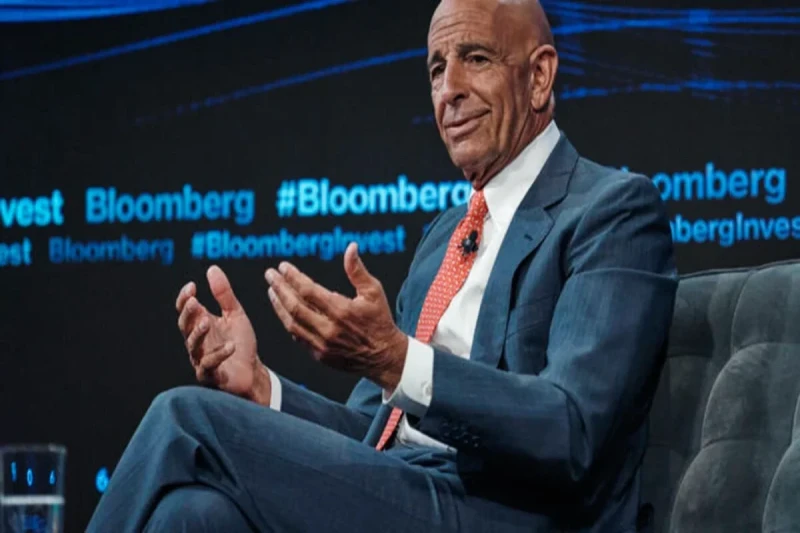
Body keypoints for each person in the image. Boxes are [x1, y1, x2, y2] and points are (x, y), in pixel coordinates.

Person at [87, 0, 677, 531]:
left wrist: (396, 360)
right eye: (436, 70)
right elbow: (371, 435)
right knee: (194, 514)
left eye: (475, 59)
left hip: (507, 509)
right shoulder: (443, 237)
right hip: (408, 494)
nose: (449, 90)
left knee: (184, 416)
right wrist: (262, 388)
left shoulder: (611, 211)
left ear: (539, 75)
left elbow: (571, 430)